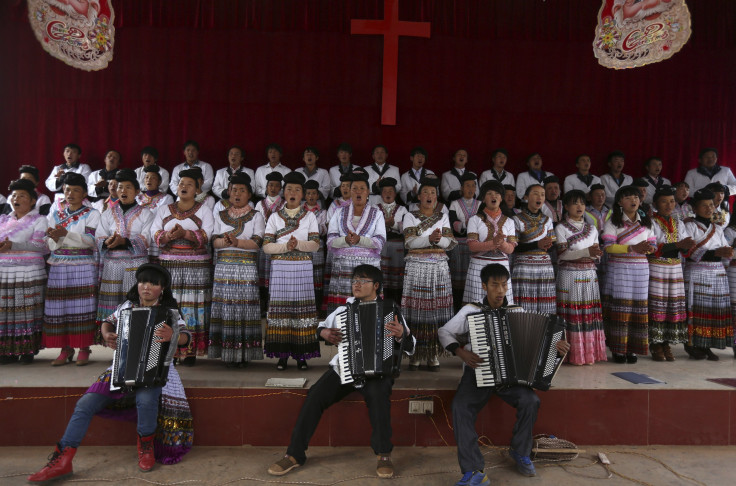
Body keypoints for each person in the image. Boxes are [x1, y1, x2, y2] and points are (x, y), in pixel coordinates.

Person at [27, 263, 193, 482]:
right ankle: (63, 459)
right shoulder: (126, 307)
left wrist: (174, 335)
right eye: (143, 281)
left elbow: (187, 337)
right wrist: (106, 335)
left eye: (153, 283)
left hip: (156, 369)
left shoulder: (170, 313)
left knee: (146, 400)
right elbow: (107, 323)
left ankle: (146, 446)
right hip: (121, 367)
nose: (146, 287)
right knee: (85, 404)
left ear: (162, 288)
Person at [267, 265, 415, 479]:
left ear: (376, 286)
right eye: (355, 280)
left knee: (379, 398)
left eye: (363, 281)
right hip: (345, 367)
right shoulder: (343, 310)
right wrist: (324, 332)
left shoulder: (391, 311)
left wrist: (401, 335)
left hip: (379, 372)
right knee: (315, 396)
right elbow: (320, 328)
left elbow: (411, 345)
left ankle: (383, 454)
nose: (356, 284)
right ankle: (294, 455)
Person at [438, 263, 570, 485]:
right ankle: (474, 471)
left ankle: (520, 451)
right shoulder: (471, 311)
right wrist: (460, 352)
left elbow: (536, 346)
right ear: (484, 286)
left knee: (531, 401)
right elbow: (444, 331)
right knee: (461, 407)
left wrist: (555, 348)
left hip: (511, 378)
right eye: (494, 285)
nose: (500, 290)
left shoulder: (517, 312)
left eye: (503, 285)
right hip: (477, 372)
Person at [150, 168, 214, 366]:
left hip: (196, 268)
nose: (184, 187)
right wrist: (169, 236)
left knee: (193, 307)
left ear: (197, 189)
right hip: (170, 265)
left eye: (189, 184)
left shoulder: (204, 209)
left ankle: (191, 349)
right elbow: (154, 232)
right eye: (181, 183)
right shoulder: (164, 209)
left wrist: (185, 234)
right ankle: (170, 348)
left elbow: (207, 235)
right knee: (171, 305)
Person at [263, 172, 321, 370]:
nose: (293, 192)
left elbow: (315, 245)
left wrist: (299, 245)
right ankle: (282, 356)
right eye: (289, 189)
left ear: (302, 194)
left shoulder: (310, 216)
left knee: (300, 312)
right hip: (280, 269)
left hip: (302, 268)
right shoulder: (274, 217)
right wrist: (287, 247)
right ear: (283, 193)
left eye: (297, 189)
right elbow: (266, 247)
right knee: (282, 312)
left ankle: (301, 356)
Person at [43, 172, 101, 366]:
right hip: (59, 264)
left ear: (84, 193)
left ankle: (84, 347)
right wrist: (55, 238)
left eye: (76, 190)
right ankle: (65, 348)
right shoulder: (56, 214)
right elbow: (49, 243)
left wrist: (65, 235)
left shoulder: (92, 214)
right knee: (61, 307)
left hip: (83, 264)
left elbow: (92, 241)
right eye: (67, 190)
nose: (70, 193)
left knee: (83, 306)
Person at [208, 173, 265, 366]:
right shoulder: (220, 215)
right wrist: (224, 241)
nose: (237, 194)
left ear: (249, 194)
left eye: (242, 190)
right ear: (228, 193)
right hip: (224, 268)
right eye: (234, 190)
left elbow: (258, 242)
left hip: (247, 267)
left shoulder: (257, 216)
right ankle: (227, 354)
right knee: (226, 309)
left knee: (244, 310)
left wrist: (237, 242)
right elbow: (214, 242)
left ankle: (244, 355)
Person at [402, 177, 457, 371]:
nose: (430, 196)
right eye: (425, 192)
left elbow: (450, 243)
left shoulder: (443, 216)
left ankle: (433, 353)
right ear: (419, 196)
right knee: (417, 310)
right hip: (417, 267)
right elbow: (409, 241)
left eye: (433, 193)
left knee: (435, 310)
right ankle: (414, 354)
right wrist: (430, 239)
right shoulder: (409, 215)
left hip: (438, 268)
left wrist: (436, 240)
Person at [601, 185, 656, 363]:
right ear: (619, 202)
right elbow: (608, 248)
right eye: (628, 197)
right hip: (619, 269)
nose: (633, 200)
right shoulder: (613, 223)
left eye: (636, 197)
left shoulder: (647, 222)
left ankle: (632, 348)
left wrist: (648, 248)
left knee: (637, 308)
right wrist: (632, 248)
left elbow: (653, 245)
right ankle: (618, 349)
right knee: (620, 308)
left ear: (640, 201)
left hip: (641, 269)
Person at [95, 169, 153, 326]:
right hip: (112, 264)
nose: (123, 191)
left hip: (135, 264)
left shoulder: (146, 213)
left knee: (133, 299)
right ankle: (113, 336)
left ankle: (134, 335)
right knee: (113, 303)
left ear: (137, 191)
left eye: (128, 187)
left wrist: (125, 242)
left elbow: (147, 237)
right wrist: (108, 241)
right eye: (120, 187)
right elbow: (99, 236)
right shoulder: (107, 213)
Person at [555, 190, 606, 365]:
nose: (579, 207)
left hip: (589, 274)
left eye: (582, 203)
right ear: (566, 207)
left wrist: (595, 254)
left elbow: (596, 253)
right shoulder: (561, 228)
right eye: (575, 203)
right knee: (572, 314)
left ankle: (589, 354)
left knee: (588, 313)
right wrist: (587, 252)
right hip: (570, 276)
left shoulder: (591, 228)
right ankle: (572, 354)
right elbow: (562, 255)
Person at [0, 179, 48, 364]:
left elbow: (41, 246)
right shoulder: (3, 219)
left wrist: (14, 245)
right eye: (13, 195)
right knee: (5, 313)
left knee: (27, 312)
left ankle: (27, 349)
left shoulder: (40, 220)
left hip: (28, 273)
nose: (16, 198)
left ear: (33, 201)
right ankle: (6, 350)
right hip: (4, 272)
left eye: (22, 195)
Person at [682, 188, 733, 360]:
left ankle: (707, 344)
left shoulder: (717, 228)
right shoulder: (689, 226)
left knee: (712, 311)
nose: (709, 208)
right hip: (697, 272)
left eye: (711, 205)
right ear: (695, 208)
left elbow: (724, 250)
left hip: (717, 274)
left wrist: (727, 253)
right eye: (704, 205)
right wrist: (717, 253)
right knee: (696, 310)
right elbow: (688, 252)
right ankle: (692, 344)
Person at [326, 171, 386, 313]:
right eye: (354, 189)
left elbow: (380, 241)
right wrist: (345, 240)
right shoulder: (339, 212)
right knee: (344, 308)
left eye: (362, 189)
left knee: (367, 305)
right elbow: (330, 240)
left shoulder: (376, 213)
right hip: (344, 266)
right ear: (350, 192)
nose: (358, 192)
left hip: (368, 266)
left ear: (368, 192)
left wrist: (360, 240)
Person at [648, 186, 694, 361]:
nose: (669, 205)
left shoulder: (678, 222)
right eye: (664, 201)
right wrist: (678, 245)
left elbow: (684, 250)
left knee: (670, 305)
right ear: (655, 203)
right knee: (657, 304)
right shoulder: (651, 222)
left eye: (672, 201)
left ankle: (665, 341)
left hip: (675, 268)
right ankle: (655, 342)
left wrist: (688, 246)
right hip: (657, 267)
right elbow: (652, 248)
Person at [463, 180, 516, 305]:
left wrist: (501, 243)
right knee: (477, 306)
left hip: (502, 266)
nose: (494, 196)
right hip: (479, 266)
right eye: (489, 194)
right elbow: (472, 246)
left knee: (501, 304)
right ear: (483, 198)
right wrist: (494, 243)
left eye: (497, 194)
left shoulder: (509, 221)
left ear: (501, 198)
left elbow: (511, 249)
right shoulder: (474, 220)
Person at [512, 184, 556, 314]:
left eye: (542, 194)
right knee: (526, 306)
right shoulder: (516, 219)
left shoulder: (547, 220)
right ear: (526, 197)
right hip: (524, 268)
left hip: (544, 268)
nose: (540, 197)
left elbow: (552, 245)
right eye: (536, 193)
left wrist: (548, 245)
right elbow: (514, 247)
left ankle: (544, 333)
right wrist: (537, 245)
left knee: (545, 306)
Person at [449, 173, 482, 308]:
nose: (470, 188)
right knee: (457, 278)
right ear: (461, 188)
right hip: (459, 243)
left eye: (473, 186)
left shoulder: (481, 204)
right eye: (467, 185)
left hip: (475, 245)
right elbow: (451, 222)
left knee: (473, 277)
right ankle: (457, 306)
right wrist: (464, 225)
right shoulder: (454, 204)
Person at [255, 171, 285, 311]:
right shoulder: (259, 204)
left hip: (278, 245)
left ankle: (275, 305)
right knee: (262, 275)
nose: (273, 188)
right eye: (270, 185)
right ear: (266, 187)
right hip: (263, 245)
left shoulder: (284, 204)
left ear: (280, 188)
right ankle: (263, 304)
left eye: (276, 186)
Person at [377, 177, 408, 303]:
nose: (388, 194)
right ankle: (382, 301)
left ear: (395, 194)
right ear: (381, 194)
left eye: (391, 191)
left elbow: (406, 228)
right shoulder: (375, 208)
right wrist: (383, 224)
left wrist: (394, 224)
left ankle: (397, 302)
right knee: (382, 274)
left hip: (398, 248)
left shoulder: (403, 209)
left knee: (397, 275)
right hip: (381, 246)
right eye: (385, 191)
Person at [303, 180, 328, 316]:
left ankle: (317, 307)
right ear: (304, 196)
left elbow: (323, 230)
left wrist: (310, 228)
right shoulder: (300, 210)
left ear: (318, 195)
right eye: (308, 193)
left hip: (317, 247)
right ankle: (305, 307)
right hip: (303, 247)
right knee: (304, 276)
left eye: (313, 193)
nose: (311, 196)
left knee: (317, 278)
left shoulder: (322, 212)